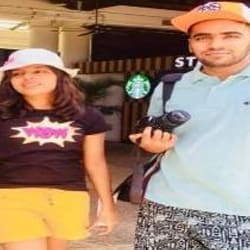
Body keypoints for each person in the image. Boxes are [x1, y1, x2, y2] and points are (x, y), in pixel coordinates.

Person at [129, 1, 250, 249]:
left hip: (242, 212)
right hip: (165, 207)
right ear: (190, 43)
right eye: (203, 37)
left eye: (230, 36)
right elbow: (152, 142)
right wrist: (150, 145)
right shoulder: (169, 85)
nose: (215, 45)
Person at [0, 48, 118, 250]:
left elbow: (96, 163)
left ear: (59, 75)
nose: (27, 77)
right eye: (17, 73)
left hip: (68, 198)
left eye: (39, 71)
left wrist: (108, 207)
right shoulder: (3, 113)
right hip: (12, 197)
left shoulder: (87, 116)